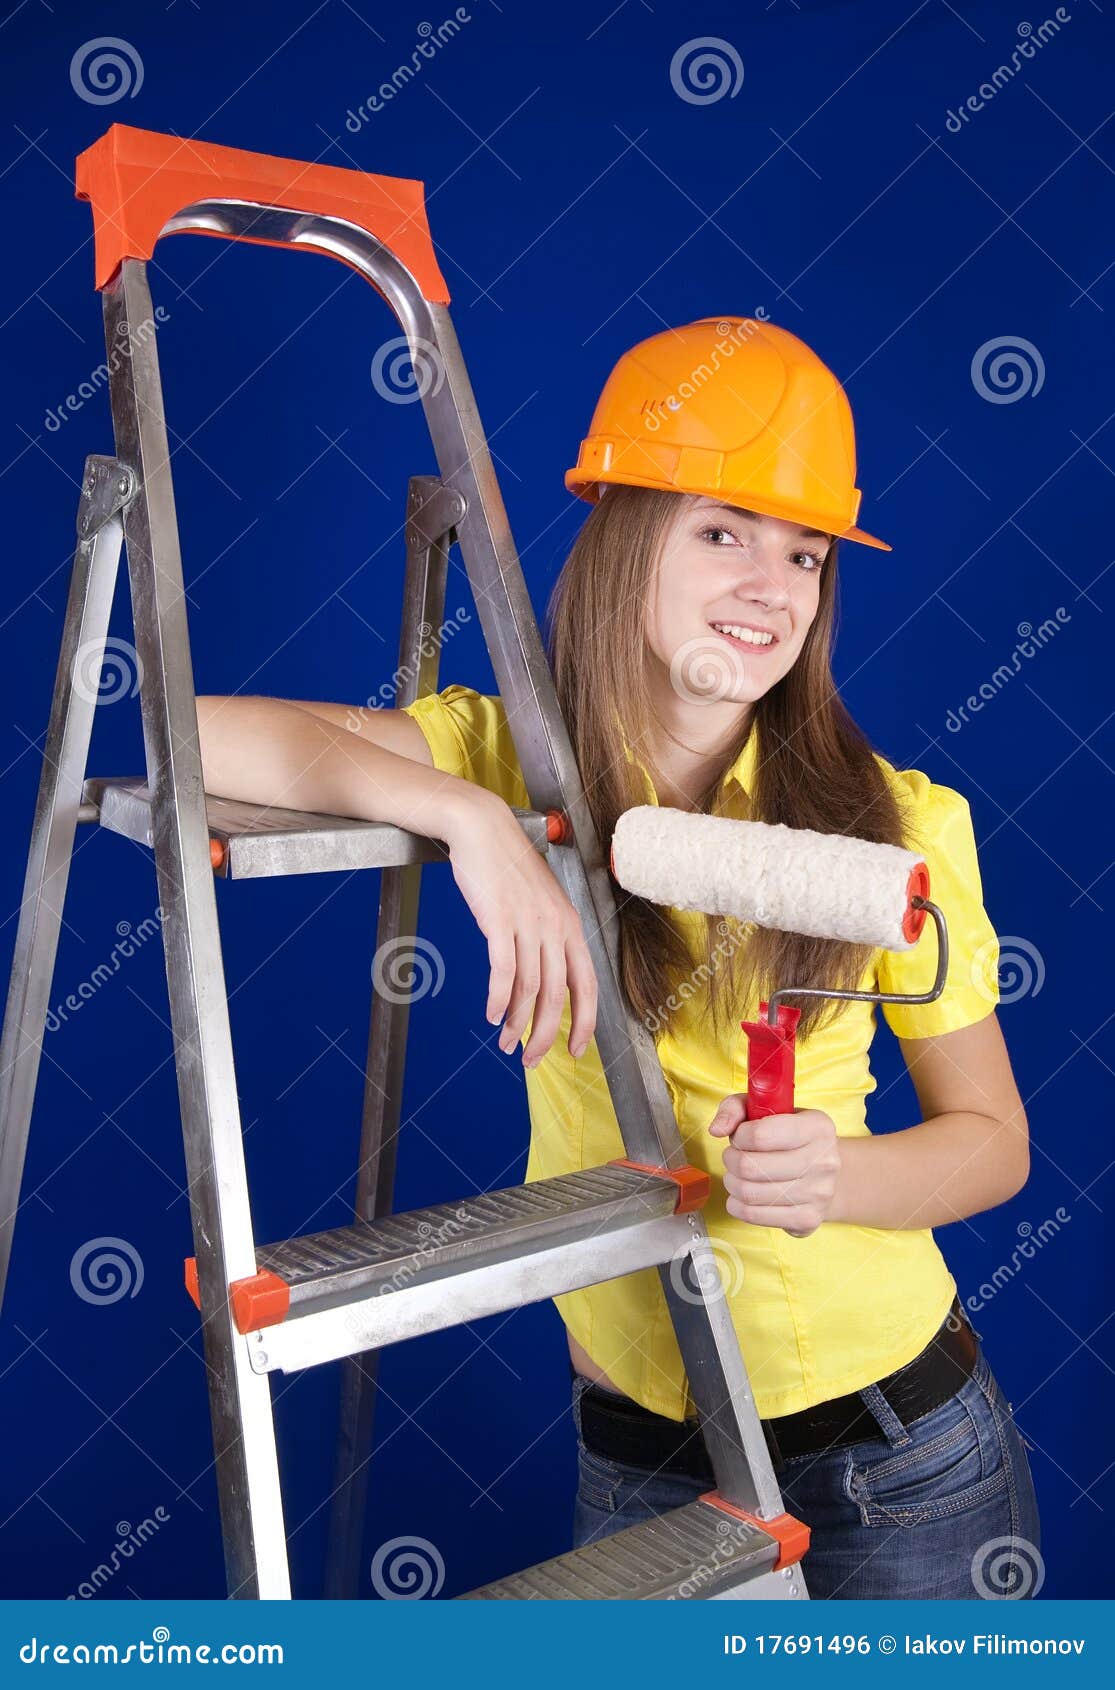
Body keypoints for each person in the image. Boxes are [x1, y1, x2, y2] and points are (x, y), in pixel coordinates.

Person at [195, 316, 1040, 1601]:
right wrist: (473, 821)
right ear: (625, 534)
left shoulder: (896, 825)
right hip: (648, 1454)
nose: (770, 586)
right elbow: (193, 736)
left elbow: (992, 1141)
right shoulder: (506, 761)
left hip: (901, 1453)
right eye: (722, 533)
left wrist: (840, 1174)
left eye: (803, 554)